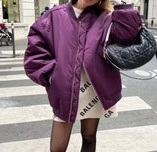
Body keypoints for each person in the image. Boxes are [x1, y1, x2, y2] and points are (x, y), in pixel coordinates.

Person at [24, 0, 141, 151]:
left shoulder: (106, 17)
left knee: (89, 137)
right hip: (65, 90)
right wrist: (52, 75)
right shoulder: (54, 16)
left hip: (93, 89)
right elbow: (35, 51)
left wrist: (122, 4)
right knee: (57, 148)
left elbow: (128, 34)